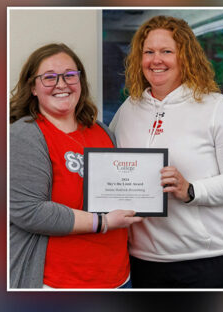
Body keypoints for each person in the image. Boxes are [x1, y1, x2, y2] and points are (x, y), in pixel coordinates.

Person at [109, 15, 223, 288]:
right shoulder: (128, 109)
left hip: (206, 260)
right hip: (141, 260)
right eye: (149, 52)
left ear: (185, 57)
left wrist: (191, 189)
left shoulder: (218, 108)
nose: (156, 60)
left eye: (167, 51)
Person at [9, 43, 143, 288]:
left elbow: (119, 189)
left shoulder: (101, 131)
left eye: (70, 75)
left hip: (118, 277)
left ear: (80, 81)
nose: (62, 84)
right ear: (33, 87)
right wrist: (102, 222)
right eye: (49, 77)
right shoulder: (24, 135)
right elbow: (28, 211)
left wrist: (150, 186)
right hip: (58, 283)